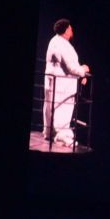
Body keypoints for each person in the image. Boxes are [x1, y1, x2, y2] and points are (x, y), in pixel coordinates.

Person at [44, 18, 90, 150]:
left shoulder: (58, 42)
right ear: (65, 30)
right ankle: (61, 135)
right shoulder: (60, 44)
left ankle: (51, 132)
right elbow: (70, 67)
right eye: (70, 28)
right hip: (61, 85)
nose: (72, 31)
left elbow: (69, 65)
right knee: (60, 109)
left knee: (53, 108)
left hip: (60, 82)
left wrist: (81, 73)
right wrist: (83, 70)